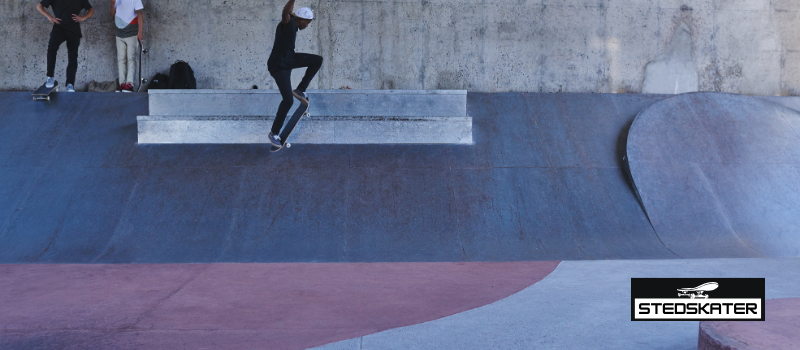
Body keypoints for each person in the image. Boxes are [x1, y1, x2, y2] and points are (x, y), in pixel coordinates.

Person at [267, 0, 323, 148]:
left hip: (289, 59)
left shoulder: (293, 22)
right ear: (302, 20)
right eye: (307, 23)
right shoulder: (289, 23)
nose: (307, 26)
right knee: (288, 101)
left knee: (317, 60)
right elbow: (285, 13)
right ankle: (274, 133)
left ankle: (300, 89)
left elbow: (290, 12)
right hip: (279, 66)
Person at [37, 0, 95, 93]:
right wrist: (50, 17)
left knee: (73, 56)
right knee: (52, 49)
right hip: (59, 28)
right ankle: (50, 77)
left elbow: (91, 9)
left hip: (74, 30)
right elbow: (39, 6)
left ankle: (70, 84)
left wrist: (83, 17)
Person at [110, 0, 144, 92]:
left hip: (132, 34)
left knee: (131, 59)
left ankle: (130, 84)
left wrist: (140, 32)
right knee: (121, 60)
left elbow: (140, 14)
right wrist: (112, 4)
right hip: (119, 34)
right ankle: (122, 83)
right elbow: (112, 16)